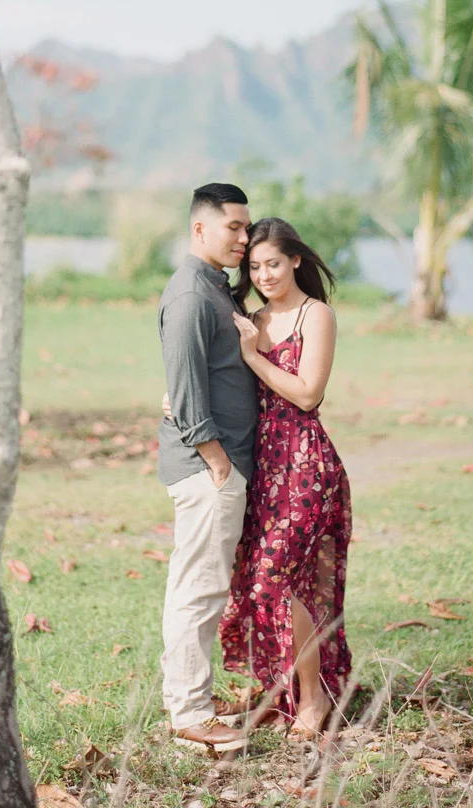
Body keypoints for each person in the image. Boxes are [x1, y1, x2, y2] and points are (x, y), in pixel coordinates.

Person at [220, 217, 353, 738]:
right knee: (255, 582)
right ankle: (284, 690)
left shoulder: (315, 315)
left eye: (273, 263)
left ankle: (314, 700)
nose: (265, 274)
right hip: (261, 467)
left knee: (281, 578)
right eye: (254, 267)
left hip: (304, 463)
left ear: (296, 259)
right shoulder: (250, 316)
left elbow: (306, 393)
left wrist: (252, 355)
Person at [157, 183, 257, 754]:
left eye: (247, 228)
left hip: (214, 464)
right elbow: (186, 389)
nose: (243, 238)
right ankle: (191, 714)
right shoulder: (194, 294)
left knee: (194, 587)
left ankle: (187, 695)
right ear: (201, 229)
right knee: (199, 591)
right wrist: (218, 463)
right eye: (233, 228)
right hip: (207, 468)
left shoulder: (215, 289)